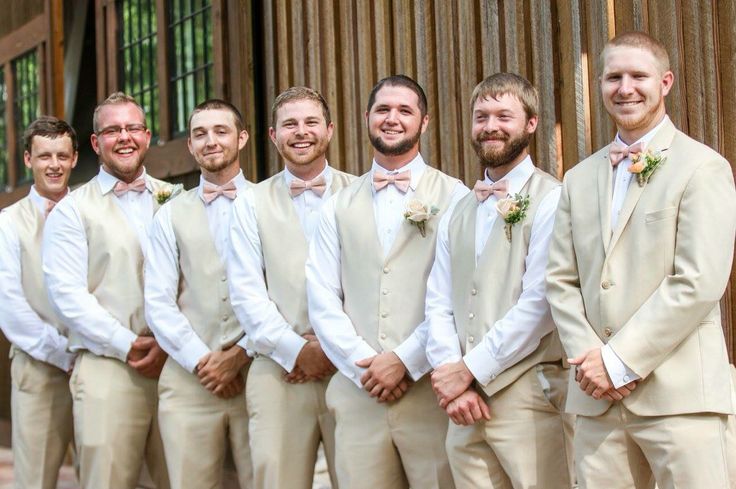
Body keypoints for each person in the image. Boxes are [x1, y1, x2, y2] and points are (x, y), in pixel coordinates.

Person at [546, 31, 736, 488]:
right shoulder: (577, 177)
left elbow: (699, 280)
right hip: (596, 402)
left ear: (665, 82)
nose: (625, 88)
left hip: (682, 398)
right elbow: (560, 279)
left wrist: (619, 361)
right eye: (614, 77)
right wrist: (590, 360)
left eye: (638, 76)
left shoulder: (702, 167)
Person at [306, 75, 467, 489]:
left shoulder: (455, 197)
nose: (392, 119)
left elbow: (458, 295)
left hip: (431, 392)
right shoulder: (336, 205)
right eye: (382, 110)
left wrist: (406, 361)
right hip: (359, 394)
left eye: (404, 111)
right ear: (366, 118)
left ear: (424, 122)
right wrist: (366, 367)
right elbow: (322, 295)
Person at [422, 73, 574, 488]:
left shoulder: (553, 198)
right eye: (481, 116)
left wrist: (468, 369)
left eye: (503, 115)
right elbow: (438, 301)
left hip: (528, 399)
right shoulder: (458, 209)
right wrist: (451, 376)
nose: (490, 126)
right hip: (462, 405)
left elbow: (540, 304)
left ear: (530, 123)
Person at [43, 92, 173, 489]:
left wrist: (171, 345)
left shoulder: (177, 199)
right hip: (108, 369)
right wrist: (129, 344)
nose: (125, 137)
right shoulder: (71, 210)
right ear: (96, 143)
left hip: (177, 366)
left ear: (147, 136)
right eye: (112, 130)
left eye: (133, 127)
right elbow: (67, 296)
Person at [228, 86, 353, 489]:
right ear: (272, 135)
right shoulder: (249, 203)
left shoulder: (360, 193)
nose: (301, 132)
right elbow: (246, 293)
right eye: (290, 124)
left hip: (352, 367)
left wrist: (337, 349)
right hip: (277, 368)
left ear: (330, 130)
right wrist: (296, 351)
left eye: (311, 122)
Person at [145, 99, 254, 489]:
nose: (210, 141)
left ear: (241, 138)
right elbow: (158, 302)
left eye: (221, 131)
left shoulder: (269, 204)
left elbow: (287, 294)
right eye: (200, 134)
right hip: (189, 379)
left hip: (258, 373)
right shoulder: (169, 215)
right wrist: (203, 361)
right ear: (190, 146)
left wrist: (242, 355)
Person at [0, 116, 77, 489]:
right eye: (44, 156)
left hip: (101, 363)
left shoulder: (90, 211)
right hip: (39, 367)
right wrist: (66, 355)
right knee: (35, 481)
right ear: (28, 160)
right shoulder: (8, 223)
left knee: (107, 474)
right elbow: (10, 307)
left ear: (75, 158)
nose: (55, 165)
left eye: (62, 155)